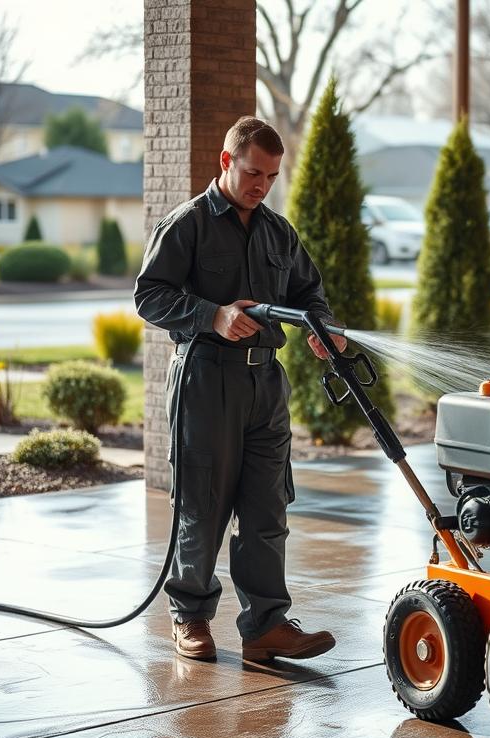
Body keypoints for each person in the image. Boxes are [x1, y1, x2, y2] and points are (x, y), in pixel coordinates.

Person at [135, 116, 346, 663]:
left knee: (267, 507)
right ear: (226, 161)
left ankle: (265, 626)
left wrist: (321, 330)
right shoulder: (188, 224)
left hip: (266, 383)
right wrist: (213, 315)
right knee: (203, 504)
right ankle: (191, 618)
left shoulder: (279, 232)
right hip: (206, 378)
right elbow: (149, 295)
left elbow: (309, 292)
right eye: (253, 172)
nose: (261, 185)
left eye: (271, 176)